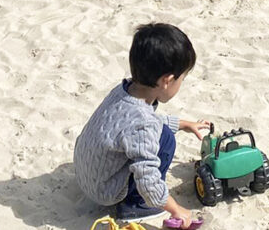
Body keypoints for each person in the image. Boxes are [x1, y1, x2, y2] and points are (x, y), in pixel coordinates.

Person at [74, 23, 211, 225]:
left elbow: (135, 125)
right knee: (165, 140)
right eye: (182, 79)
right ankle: (136, 206)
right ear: (167, 80)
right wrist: (175, 209)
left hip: (85, 172)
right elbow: (148, 179)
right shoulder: (143, 123)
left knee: (160, 131)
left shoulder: (124, 90)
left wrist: (183, 124)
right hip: (104, 191)